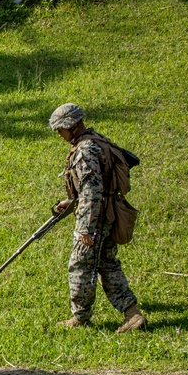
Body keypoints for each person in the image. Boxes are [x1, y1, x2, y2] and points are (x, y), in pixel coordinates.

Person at [49, 103, 146, 333]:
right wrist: (70, 201)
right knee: (108, 265)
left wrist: (86, 229)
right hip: (108, 215)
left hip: (96, 220)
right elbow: (95, 186)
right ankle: (132, 314)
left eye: (60, 130)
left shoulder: (85, 151)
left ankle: (80, 317)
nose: (59, 135)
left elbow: (92, 193)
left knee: (80, 265)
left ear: (72, 127)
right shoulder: (97, 141)